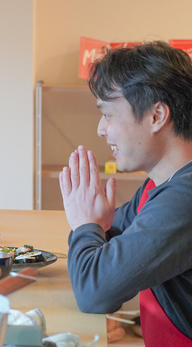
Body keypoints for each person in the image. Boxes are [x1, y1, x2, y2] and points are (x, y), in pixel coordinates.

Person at [60, 41, 192, 347]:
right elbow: (106, 241)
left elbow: (95, 291)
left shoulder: (184, 199)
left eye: (108, 115)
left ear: (157, 116)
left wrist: (84, 225)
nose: (100, 130)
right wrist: (89, 225)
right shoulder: (157, 185)